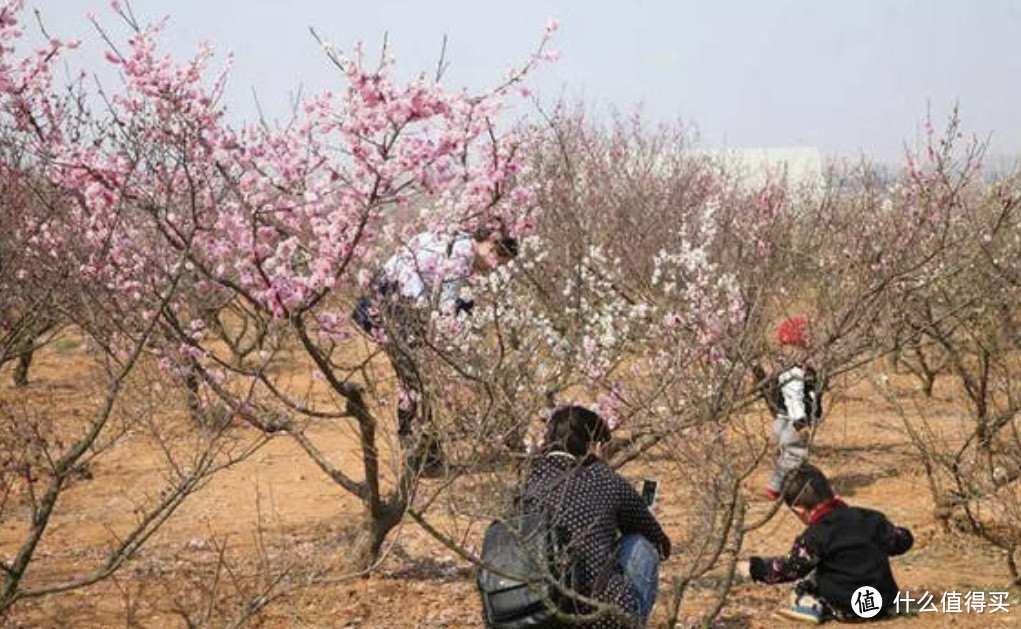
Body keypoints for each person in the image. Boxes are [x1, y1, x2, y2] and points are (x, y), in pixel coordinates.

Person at [352, 226, 519, 475]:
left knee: (414, 381)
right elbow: (445, 308)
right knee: (416, 380)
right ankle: (420, 453)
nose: (493, 266)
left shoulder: (452, 238)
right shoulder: (460, 254)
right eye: (495, 257)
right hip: (396, 305)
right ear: (488, 244)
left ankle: (423, 452)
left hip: (388, 299)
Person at [520, 405, 671, 628]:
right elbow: (659, 543)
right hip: (601, 616)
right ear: (596, 446)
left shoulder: (529, 485)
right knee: (639, 543)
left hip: (537, 616)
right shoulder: (604, 478)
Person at [744, 464, 914, 624]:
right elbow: (901, 541)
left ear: (798, 510)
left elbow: (791, 569)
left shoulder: (815, 535)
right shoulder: (870, 518)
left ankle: (811, 607)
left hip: (848, 610)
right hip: (884, 604)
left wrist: (756, 568)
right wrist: (900, 532)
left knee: (805, 585)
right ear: (830, 491)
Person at [753, 316, 823, 500]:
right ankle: (775, 488)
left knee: (792, 452)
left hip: (786, 417)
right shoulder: (794, 372)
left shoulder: (795, 368)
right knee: (793, 452)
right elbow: (794, 399)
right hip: (793, 419)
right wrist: (801, 423)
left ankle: (797, 483)